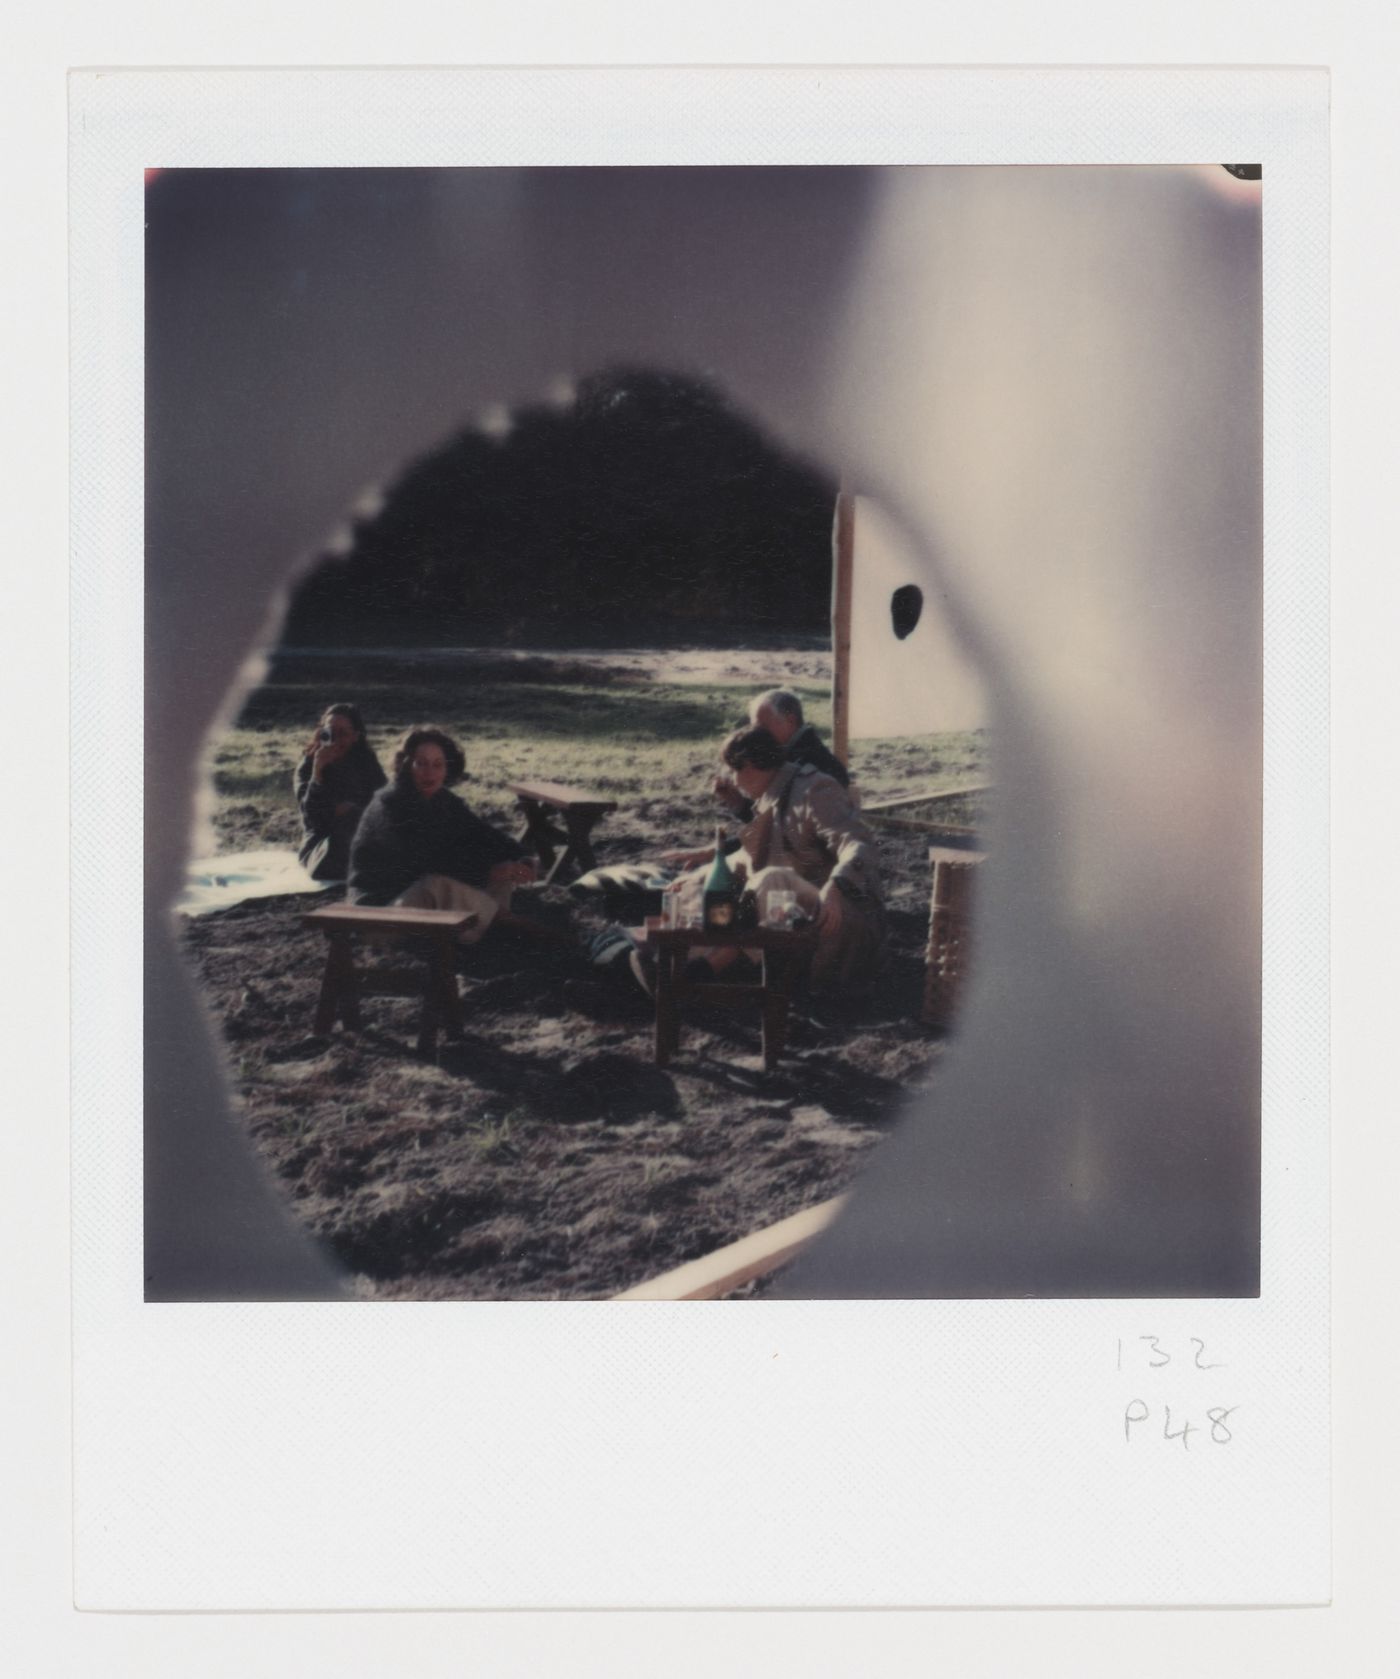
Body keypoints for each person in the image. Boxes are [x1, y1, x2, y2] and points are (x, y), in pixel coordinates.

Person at [665, 725, 886, 996]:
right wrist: (700, 876)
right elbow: (747, 857)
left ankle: (712, 966)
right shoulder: (772, 795)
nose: (731, 780)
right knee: (704, 886)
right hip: (795, 918)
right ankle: (674, 966)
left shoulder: (814, 789)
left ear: (750, 765)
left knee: (772, 879)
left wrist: (837, 885)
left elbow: (859, 844)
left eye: (734, 770)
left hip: (844, 921)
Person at [347, 726, 536, 942]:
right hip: (378, 915)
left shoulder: (443, 800)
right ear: (407, 766)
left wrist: (522, 858)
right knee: (436, 885)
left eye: (438, 765)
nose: (430, 772)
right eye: (421, 763)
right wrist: (488, 871)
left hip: (418, 910)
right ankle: (522, 928)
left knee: (501, 867)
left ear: (447, 768)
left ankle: (489, 929)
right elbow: (428, 862)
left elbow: (484, 834)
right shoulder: (390, 805)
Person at [713, 688, 849, 820]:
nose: (756, 734)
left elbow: (786, 829)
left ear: (790, 720)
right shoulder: (792, 755)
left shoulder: (814, 764)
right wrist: (738, 803)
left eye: (762, 728)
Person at [293, 702, 388, 881]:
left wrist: (352, 810)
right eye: (330, 733)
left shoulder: (366, 763)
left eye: (343, 734)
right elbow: (312, 819)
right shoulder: (308, 766)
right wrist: (317, 773)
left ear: (355, 736)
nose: (335, 740)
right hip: (323, 845)